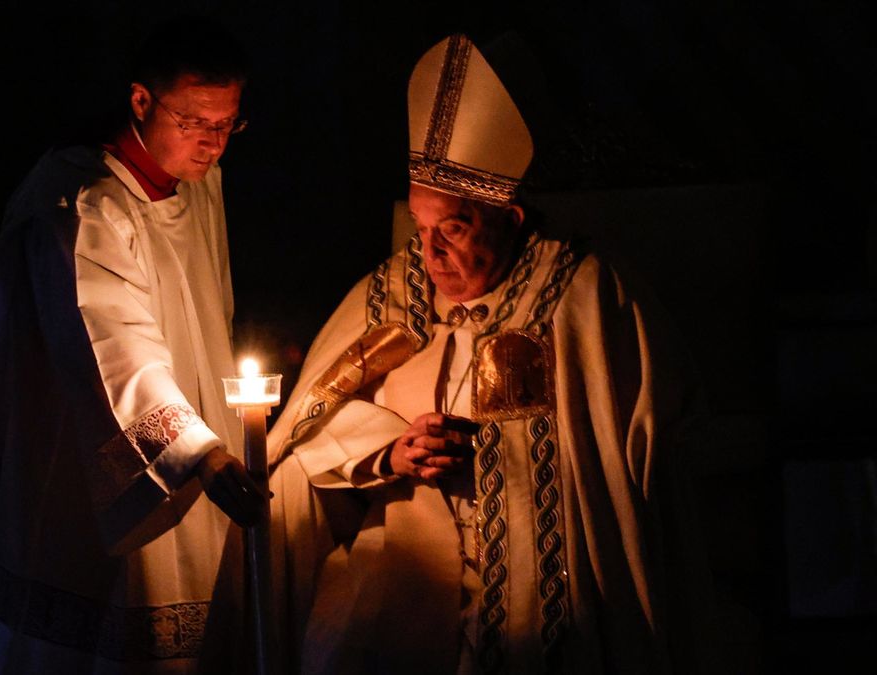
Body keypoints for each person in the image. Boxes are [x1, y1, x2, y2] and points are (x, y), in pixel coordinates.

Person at [216, 33, 718, 674]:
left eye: (452, 228)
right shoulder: (392, 291)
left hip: (548, 587)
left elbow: (650, 454)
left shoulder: (583, 294)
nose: (430, 256)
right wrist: (388, 451)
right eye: (421, 229)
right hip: (406, 574)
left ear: (508, 221)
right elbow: (305, 436)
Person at [0, 15, 265, 675]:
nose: (213, 144)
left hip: (199, 438)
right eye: (196, 122)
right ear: (141, 101)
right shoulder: (84, 205)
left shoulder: (199, 182)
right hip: (96, 457)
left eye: (227, 124)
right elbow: (112, 345)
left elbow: (207, 312)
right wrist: (197, 451)